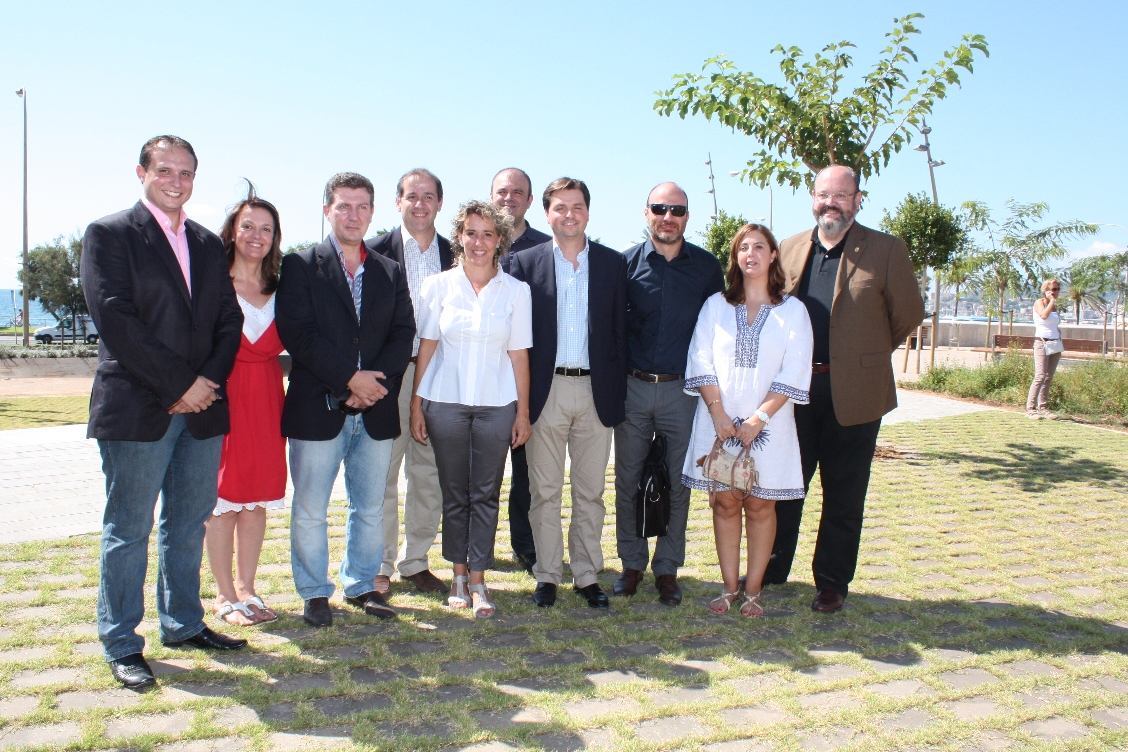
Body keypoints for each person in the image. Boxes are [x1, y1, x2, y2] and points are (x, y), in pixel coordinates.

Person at [81, 135, 246, 689]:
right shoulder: (109, 235)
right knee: (128, 529)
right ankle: (122, 642)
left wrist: (204, 385)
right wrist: (180, 385)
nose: (177, 181)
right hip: (138, 408)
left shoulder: (204, 242)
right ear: (142, 172)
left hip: (201, 410)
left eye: (187, 173)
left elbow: (229, 321)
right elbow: (116, 318)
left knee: (187, 524)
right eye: (166, 170)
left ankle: (183, 622)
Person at [765, 165, 925, 613]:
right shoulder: (791, 247)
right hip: (794, 393)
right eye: (823, 194)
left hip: (854, 393)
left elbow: (907, 315)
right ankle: (773, 568)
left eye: (841, 195)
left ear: (858, 199)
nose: (830, 203)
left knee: (844, 492)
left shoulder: (887, 249)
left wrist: (863, 354)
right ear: (812, 198)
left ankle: (832, 581)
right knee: (784, 488)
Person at [276, 172, 415, 628]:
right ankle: (315, 592)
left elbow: (402, 333)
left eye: (361, 207)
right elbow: (299, 334)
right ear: (326, 210)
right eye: (343, 206)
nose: (353, 215)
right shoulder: (300, 265)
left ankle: (361, 585)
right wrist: (349, 379)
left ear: (372, 213)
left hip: (375, 409)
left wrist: (373, 385)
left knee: (371, 506)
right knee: (311, 507)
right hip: (318, 408)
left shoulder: (390, 270)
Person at [507, 177, 628, 609]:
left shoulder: (614, 264)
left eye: (577, 206)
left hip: (596, 392)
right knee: (543, 491)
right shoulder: (523, 263)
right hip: (546, 391)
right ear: (547, 214)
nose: (569, 214)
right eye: (560, 207)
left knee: (590, 491)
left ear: (588, 212)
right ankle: (547, 574)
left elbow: (619, 334)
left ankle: (588, 575)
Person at [681, 224, 813, 617]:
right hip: (717, 421)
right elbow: (700, 358)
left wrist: (759, 417)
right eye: (743, 248)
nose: (751, 253)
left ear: (773, 255)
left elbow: (793, 370)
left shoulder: (793, 311)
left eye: (759, 247)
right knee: (723, 504)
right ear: (735, 257)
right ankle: (727, 587)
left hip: (770, 424)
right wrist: (718, 412)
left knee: (760, 506)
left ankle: (753, 590)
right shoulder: (715, 306)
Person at [411, 200, 533, 618]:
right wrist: (416, 404)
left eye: (487, 234)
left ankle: (479, 579)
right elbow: (427, 346)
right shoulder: (438, 287)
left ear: (500, 239)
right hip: (444, 402)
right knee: (455, 492)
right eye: (470, 232)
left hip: (498, 406)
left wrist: (522, 413)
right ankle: (458, 576)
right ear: (459, 237)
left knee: (486, 494)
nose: (478, 242)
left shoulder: (517, 292)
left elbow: (519, 356)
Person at [613, 183, 724, 606]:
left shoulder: (708, 269)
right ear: (646, 213)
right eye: (660, 208)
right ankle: (632, 564)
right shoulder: (624, 265)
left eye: (676, 210)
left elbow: (719, 330)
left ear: (687, 217)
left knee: (680, 483)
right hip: (633, 390)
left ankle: (667, 569)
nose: (668, 216)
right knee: (627, 479)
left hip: (685, 392)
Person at [204, 184, 287, 626]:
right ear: (233, 231)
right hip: (223, 396)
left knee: (256, 499)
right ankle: (222, 596)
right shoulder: (211, 283)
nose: (257, 235)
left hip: (269, 398)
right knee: (223, 498)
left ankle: (248, 589)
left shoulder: (282, 287)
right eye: (248, 226)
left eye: (267, 229)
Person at [367, 169, 452, 597]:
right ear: (397, 203)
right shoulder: (371, 252)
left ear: (440, 203)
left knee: (430, 473)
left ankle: (416, 560)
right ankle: (379, 563)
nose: (420, 204)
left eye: (429, 197)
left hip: (440, 377)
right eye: (411, 196)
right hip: (390, 377)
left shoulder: (459, 254)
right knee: (382, 472)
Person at [492, 167, 550, 575]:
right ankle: (474, 551)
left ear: (531, 201)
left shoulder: (548, 250)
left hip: (530, 376)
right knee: (482, 474)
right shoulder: (474, 243)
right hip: (482, 377)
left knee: (527, 473)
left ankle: (525, 548)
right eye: (502, 192)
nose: (509, 198)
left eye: (518, 193)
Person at [1027, 279, 1063, 420]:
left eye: (1058, 289)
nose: (1056, 292)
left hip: (1055, 344)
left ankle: (1043, 407)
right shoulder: (1039, 303)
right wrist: (1051, 301)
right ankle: (1030, 408)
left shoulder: (1054, 306)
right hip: (1042, 343)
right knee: (1040, 376)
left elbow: (1054, 324)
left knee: (1048, 377)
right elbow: (1043, 315)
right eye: (1053, 289)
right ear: (1046, 290)